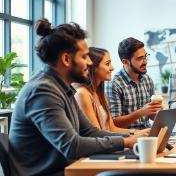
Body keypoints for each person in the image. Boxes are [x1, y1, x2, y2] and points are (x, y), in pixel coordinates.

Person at [8, 19, 145, 176]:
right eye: (85, 56)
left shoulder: (62, 87)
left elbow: (89, 132)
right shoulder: (42, 91)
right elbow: (71, 146)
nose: (89, 62)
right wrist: (125, 141)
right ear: (66, 59)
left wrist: (134, 136)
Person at [75, 47, 144, 134]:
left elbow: (112, 128)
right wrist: (132, 138)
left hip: (106, 142)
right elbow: (97, 134)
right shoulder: (82, 94)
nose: (112, 68)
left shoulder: (100, 93)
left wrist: (138, 132)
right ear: (94, 67)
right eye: (107, 64)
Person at [106, 37, 162, 129]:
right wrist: (141, 112)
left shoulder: (147, 80)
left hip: (147, 133)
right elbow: (114, 123)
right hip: (127, 137)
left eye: (145, 56)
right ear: (125, 61)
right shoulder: (114, 84)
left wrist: (159, 112)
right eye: (140, 58)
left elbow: (151, 116)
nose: (145, 62)